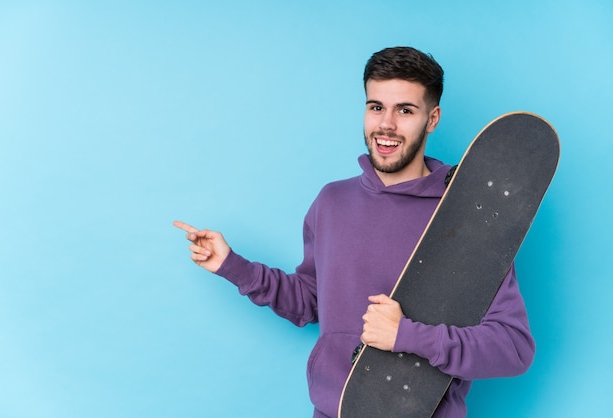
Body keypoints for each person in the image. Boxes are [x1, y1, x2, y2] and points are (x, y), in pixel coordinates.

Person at [174, 46, 535, 418]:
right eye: (376, 107)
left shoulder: (465, 215)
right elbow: (311, 300)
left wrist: (408, 337)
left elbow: (513, 347)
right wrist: (232, 265)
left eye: (405, 110)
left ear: (432, 119)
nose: (386, 125)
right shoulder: (332, 202)